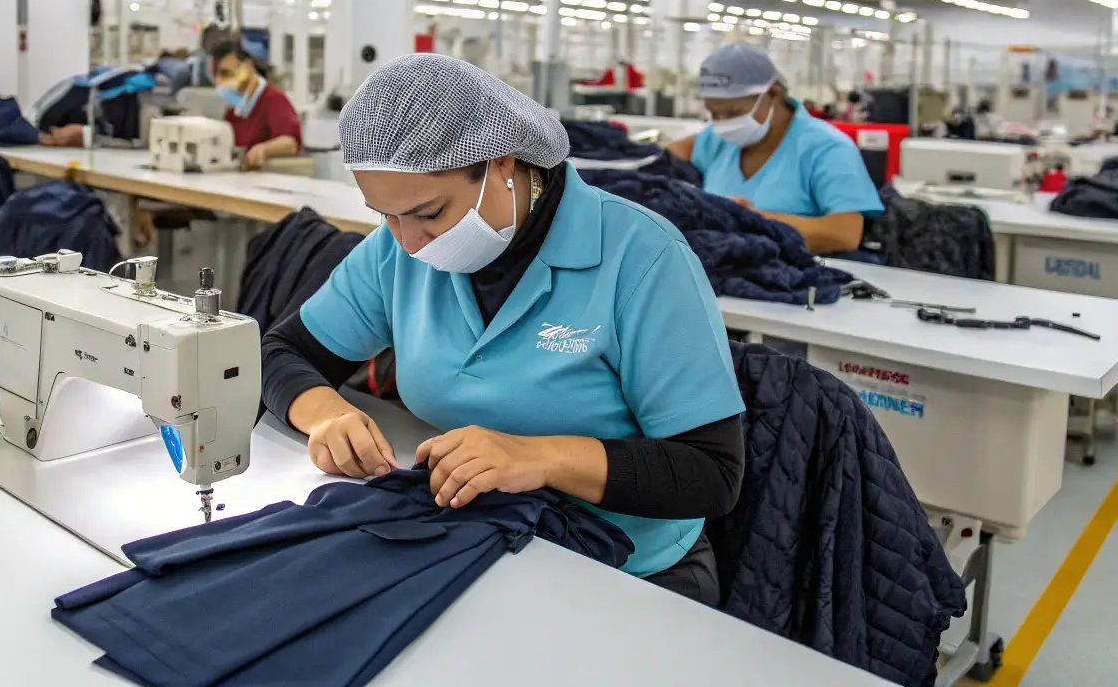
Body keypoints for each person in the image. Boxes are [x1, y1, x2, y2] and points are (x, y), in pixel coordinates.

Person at [260, 54, 745, 605]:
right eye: (385, 216)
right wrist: (328, 413)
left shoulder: (642, 257)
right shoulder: (394, 254)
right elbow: (280, 351)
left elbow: (712, 471)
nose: (408, 242)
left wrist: (536, 457)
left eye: (430, 213)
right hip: (477, 542)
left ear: (503, 165)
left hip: (628, 576)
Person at [681, 43, 881, 255]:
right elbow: (663, 159)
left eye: (733, 113)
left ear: (773, 94)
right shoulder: (715, 140)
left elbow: (844, 233)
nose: (722, 123)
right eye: (714, 113)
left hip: (797, 276)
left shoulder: (828, 148)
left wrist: (749, 219)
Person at [211, 41, 301, 170]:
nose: (220, 81)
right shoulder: (235, 107)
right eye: (217, 75)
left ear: (247, 67)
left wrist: (264, 148)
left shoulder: (273, 99)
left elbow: (290, 143)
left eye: (227, 73)